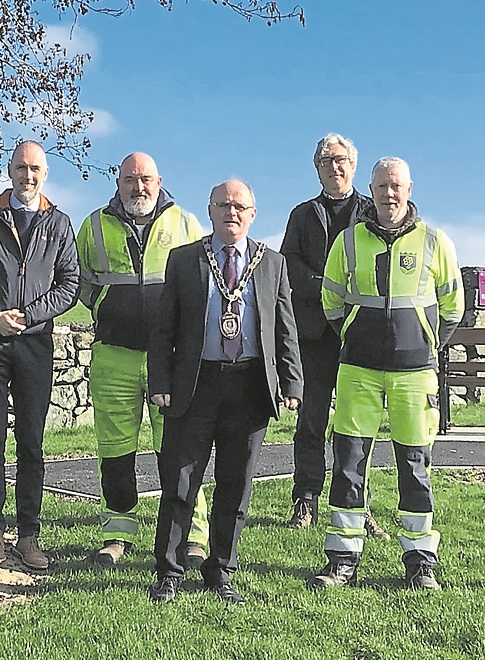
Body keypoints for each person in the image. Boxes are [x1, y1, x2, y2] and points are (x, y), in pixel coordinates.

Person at [308, 157, 463, 591]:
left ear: (409, 188)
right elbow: (331, 301)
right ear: (370, 190)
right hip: (358, 369)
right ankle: (342, 558)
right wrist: (358, 336)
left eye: (396, 186)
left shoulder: (435, 242)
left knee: (414, 466)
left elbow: (453, 308)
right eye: (381, 187)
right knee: (349, 462)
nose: (389, 194)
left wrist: (424, 340)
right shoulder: (349, 241)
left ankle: (419, 561)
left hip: (415, 373)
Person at [147, 180, 303, 604]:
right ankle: (170, 569)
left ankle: (220, 570)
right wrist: (159, 382)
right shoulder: (184, 260)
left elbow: (284, 327)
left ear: (253, 213)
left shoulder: (271, 263)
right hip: (195, 385)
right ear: (210, 210)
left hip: (250, 385)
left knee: (235, 485)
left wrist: (291, 382)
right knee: (181, 482)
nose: (231, 212)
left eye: (240, 206)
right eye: (223, 205)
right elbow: (165, 329)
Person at [76, 152, 211, 567]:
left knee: (179, 449)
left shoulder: (186, 224)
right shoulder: (93, 226)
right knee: (115, 451)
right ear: (118, 183)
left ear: (160, 181)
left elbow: (203, 283)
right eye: (131, 179)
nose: (139, 187)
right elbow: (80, 282)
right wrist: (107, 307)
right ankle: (117, 532)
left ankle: (193, 534)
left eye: (146, 179)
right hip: (114, 355)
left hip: (169, 360)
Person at [0, 141, 80, 571]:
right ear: (10, 170)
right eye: (22, 167)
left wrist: (29, 316)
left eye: (36, 169)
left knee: (31, 442)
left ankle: (29, 535)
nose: (29, 175)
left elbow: (70, 283)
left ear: (45, 174)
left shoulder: (59, 223)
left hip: (35, 342)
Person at [279, 133, 389, 539]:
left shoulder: (371, 211)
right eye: (326, 161)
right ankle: (304, 499)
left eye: (340, 160)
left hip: (359, 332)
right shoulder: (302, 215)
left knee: (357, 425)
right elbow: (288, 263)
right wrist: (328, 285)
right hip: (313, 336)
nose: (334, 167)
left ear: (353, 165)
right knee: (310, 421)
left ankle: (357, 502)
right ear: (317, 168)